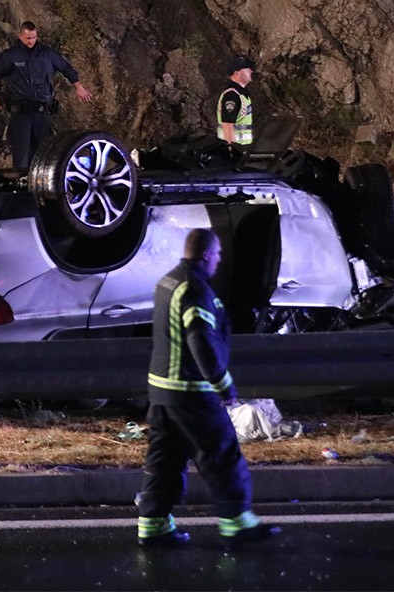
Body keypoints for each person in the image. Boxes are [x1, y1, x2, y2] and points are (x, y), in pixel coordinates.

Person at [136, 228, 278, 549]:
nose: (218, 261)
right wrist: (222, 383)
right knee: (223, 455)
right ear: (206, 256)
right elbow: (200, 342)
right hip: (190, 393)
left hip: (162, 394)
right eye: (217, 256)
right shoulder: (194, 289)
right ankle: (237, 524)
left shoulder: (167, 281)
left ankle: (153, 525)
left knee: (164, 462)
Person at [0, 21, 92, 169]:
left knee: (42, 153)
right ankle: (21, 184)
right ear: (20, 36)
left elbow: (65, 68)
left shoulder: (46, 54)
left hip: (42, 111)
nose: (31, 41)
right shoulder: (10, 56)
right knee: (22, 152)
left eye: (34, 38)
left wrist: (79, 87)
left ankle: (38, 185)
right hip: (21, 111)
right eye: (28, 38)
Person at [217, 56, 255, 146]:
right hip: (235, 148)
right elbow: (227, 125)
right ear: (237, 73)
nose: (251, 71)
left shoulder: (242, 94)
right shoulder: (231, 95)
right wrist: (231, 148)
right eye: (246, 69)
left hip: (241, 147)